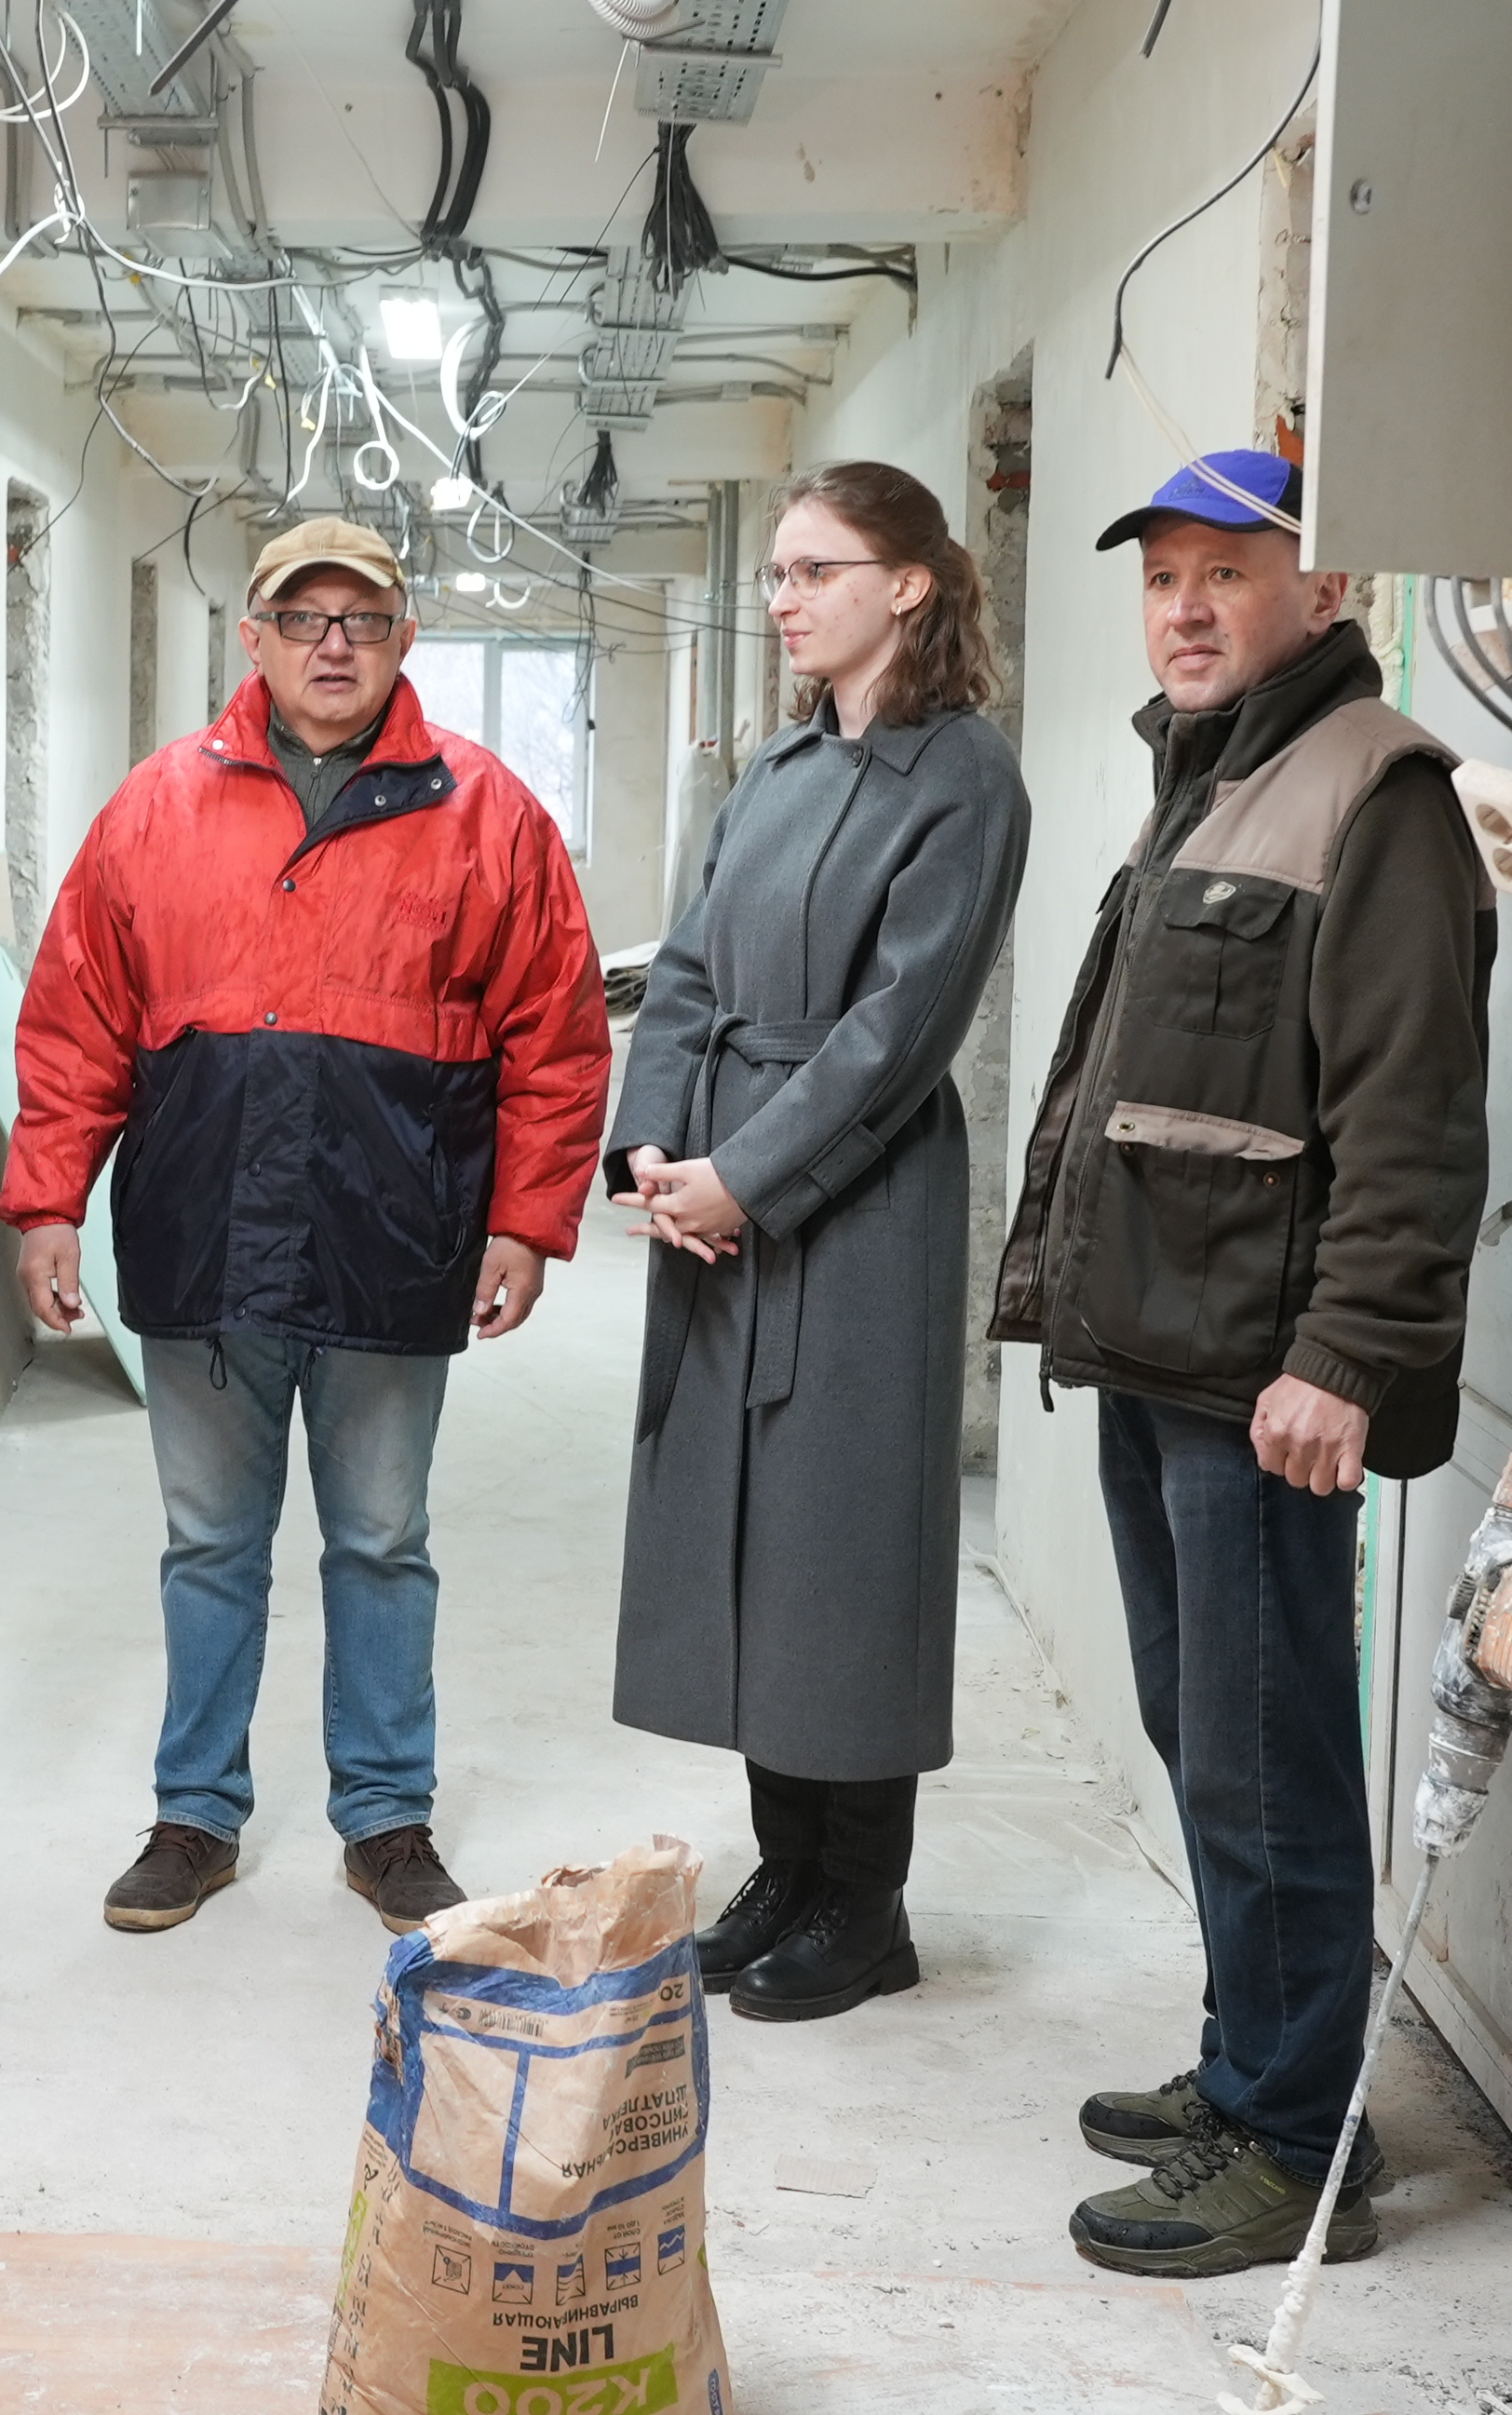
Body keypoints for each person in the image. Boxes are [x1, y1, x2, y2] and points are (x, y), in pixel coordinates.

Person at [992, 449, 1493, 2278]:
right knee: (1206, 1741)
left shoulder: (1378, 790)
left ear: (1325, 590)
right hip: (1165, 1349)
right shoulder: (1209, 777)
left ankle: (1295, 2146)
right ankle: (1251, 2067)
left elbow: (1412, 1113)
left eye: (1227, 569)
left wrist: (1344, 1357)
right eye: (1161, 577)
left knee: (1267, 1761)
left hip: (1265, 1384)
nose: (1185, 606)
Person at [4, 515, 610, 1937]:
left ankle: (387, 1818)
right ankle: (194, 1815)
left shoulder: (489, 813)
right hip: (207, 1236)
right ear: (255, 636)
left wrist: (527, 1220)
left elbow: (558, 1034)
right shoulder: (156, 808)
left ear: (404, 638)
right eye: (304, 616)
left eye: (363, 617)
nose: (333, 643)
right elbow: (77, 1018)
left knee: (382, 1541)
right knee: (209, 1542)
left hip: (395, 1238)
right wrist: (46, 1200)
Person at [607, 462, 1031, 2025]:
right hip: (718, 1184)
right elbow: (689, 970)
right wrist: (657, 1142)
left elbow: (897, 1033)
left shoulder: (964, 777)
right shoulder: (778, 769)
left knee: (842, 1551)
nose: (783, 599)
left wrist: (748, 1177)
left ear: (907, 584)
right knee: (748, 1542)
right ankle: (786, 1871)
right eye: (777, 573)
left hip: (854, 1204)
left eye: (814, 571)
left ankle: (865, 1902)